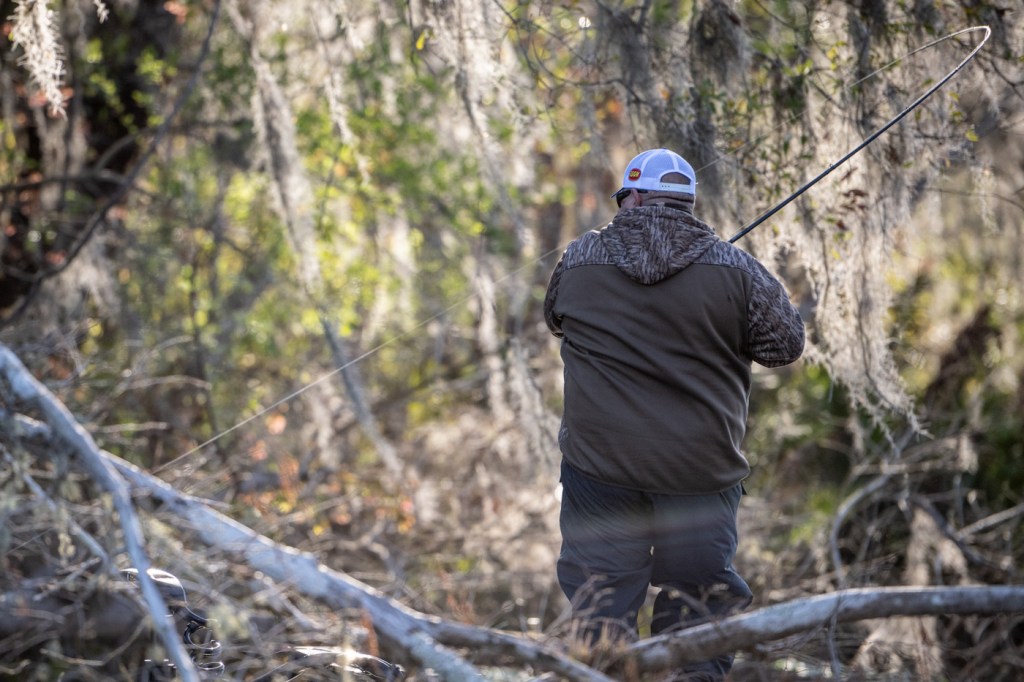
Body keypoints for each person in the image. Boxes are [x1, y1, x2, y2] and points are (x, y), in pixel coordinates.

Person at [543, 148, 805, 679]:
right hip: (698, 475)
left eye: (622, 197)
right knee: (699, 611)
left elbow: (555, 320)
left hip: (599, 471)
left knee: (601, 609)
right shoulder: (737, 269)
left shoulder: (578, 258)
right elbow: (785, 346)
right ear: (687, 203)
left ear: (635, 198)